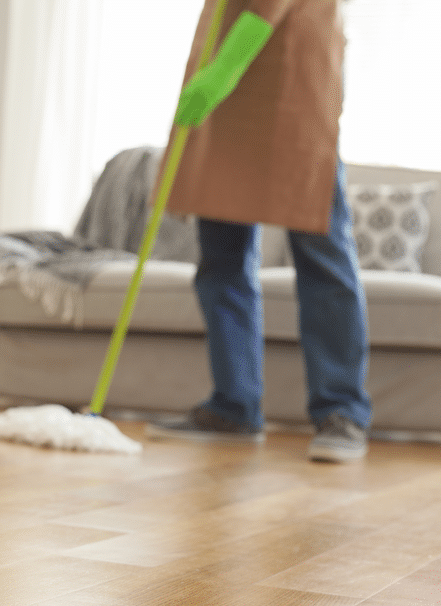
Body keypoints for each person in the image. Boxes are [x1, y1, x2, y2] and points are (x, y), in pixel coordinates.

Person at [146, 0, 372, 463]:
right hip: (229, 59)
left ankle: (341, 411)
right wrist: (221, 67)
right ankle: (234, 405)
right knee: (221, 254)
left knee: (320, 250)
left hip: (291, 66)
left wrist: (227, 66)